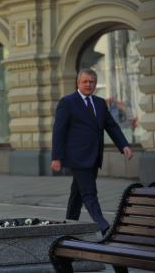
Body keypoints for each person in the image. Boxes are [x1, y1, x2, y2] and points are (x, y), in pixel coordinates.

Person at [51, 68, 133, 235]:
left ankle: (69, 224)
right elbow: (59, 131)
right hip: (78, 156)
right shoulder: (67, 102)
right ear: (78, 83)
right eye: (85, 81)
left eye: (92, 82)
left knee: (77, 193)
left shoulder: (100, 103)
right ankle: (104, 227)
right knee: (89, 193)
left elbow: (111, 126)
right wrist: (57, 157)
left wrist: (123, 145)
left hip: (95, 156)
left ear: (95, 84)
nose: (88, 84)